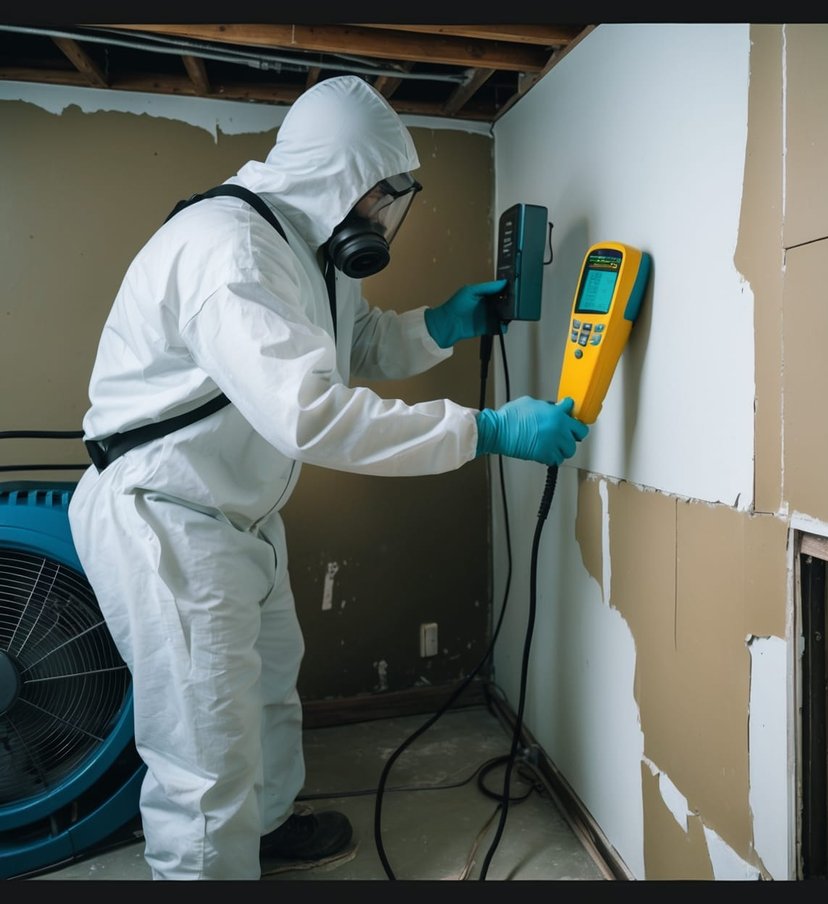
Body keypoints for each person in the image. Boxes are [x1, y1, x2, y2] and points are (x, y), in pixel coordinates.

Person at [66, 75, 588, 880]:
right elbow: (310, 414)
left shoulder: (306, 244)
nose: (385, 214)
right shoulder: (231, 252)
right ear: (342, 179)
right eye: (383, 194)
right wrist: (486, 429)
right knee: (205, 746)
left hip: (236, 512)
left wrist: (441, 322)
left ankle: (268, 830)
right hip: (166, 516)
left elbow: (352, 345)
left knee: (269, 692)